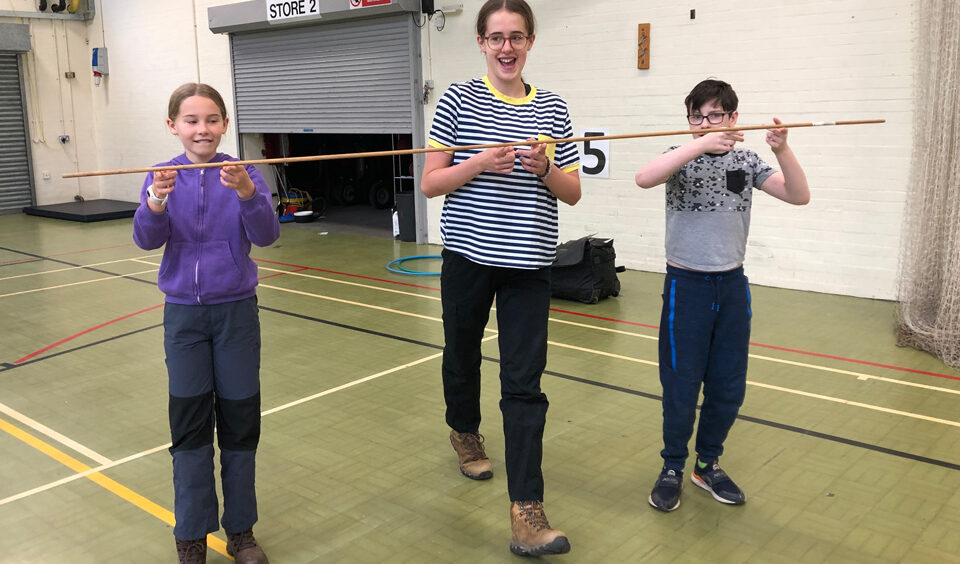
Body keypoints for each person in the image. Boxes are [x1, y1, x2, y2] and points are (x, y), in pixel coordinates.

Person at [420, 0, 581, 556]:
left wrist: (547, 169)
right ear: (483, 45)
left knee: (524, 383)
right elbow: (431, 182)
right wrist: (478, 164)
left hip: (531, 266)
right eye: (496, 37)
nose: (506, 47)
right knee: (461, 354)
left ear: (531, 41)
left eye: (516, 36)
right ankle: (465, 431)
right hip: (468, 258)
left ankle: (527, 511)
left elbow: (572, 192)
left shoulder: (554, 108)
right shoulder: (458, 101)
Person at [634, 79, 810, 512]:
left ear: (734, 118)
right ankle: (673, 466)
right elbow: (643, 179)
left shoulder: (748, 160)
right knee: (680, 384)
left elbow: (799, 196)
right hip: (685, 287)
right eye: (696, 116)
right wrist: (699, 143)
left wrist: (782, 148)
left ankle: (707, 463)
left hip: (731, 287)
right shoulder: (677, 158)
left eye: (715, 115)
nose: (704, 123)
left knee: (728, 386)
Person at [133, 83, 278, 564]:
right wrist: (155, 200)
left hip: (236, 314)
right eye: (192, 120)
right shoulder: (162, 176)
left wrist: (247, 193)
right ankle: (191, 534)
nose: (203, 129)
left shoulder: (244, 173)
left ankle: (241, 532)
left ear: (225, 125)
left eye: (212, 119)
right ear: (173, 125)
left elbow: (267, 234)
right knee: (190, 428)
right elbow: (145, 240)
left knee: (239, 424)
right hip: (184, 319)